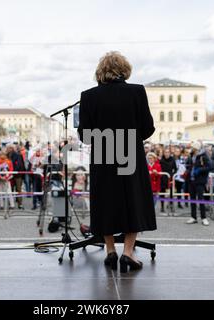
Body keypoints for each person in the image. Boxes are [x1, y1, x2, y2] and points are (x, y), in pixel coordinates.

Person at [78, 51, 156, 273]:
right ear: (125, 69)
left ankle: (110, 250)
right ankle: (128, 252)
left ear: (100, 71)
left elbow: (85, 134)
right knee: (134, 200)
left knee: (105, 201)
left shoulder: (88, 96)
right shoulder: (137, 92)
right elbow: (148, 128)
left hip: (103, 152)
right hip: (130, 150)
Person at [185, 142, 211, 226]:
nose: (192, 148)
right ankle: (193, 217)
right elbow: (189, 165)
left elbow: (209, 167)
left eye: (193, 147)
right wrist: (188, 170)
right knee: (192, 199)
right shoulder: (191, 155)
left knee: (200, 199)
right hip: (191, 180)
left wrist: (199, 170)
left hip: (200, 181)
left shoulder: (203, 156)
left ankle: (204, 218)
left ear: (197, 148)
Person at [7, 144, 26, 210]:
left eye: (9, 148)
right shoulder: (7, 156)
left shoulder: (18, 155)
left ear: (12, 149)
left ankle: (20, 204)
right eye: (7, 148)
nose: (8, 149)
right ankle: (11, 204)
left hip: (17, 175)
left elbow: (19, 165)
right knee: (10, 190)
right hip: (9, 175)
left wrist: (13, 172)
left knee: (18, 189)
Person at [159, 148, 177, 213]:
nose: (166, 153)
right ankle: (162, 206)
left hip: (170, 177)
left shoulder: (172, 160)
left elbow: (175, 169)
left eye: (168, 152)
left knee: (171, 193)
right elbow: (159, 168)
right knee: (162, 192)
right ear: (163, 153)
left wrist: (173, 175)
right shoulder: (161, 160)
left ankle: (171, 205)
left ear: (170, 153)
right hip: (163, 177)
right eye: (165, 152)